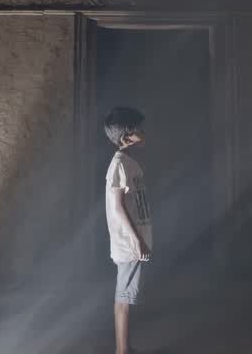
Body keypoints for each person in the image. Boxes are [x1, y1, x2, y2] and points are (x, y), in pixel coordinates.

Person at [104, 106, 152, 354]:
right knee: (123, 299)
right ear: (125, 138)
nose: (143, 134)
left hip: (133, 242)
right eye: (138, 131)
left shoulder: (128, 163)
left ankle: (125, 349)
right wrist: (137, 242)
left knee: (125, 297)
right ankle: (122, 352)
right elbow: (118, 208)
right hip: (129, 244)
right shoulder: (120, 164)